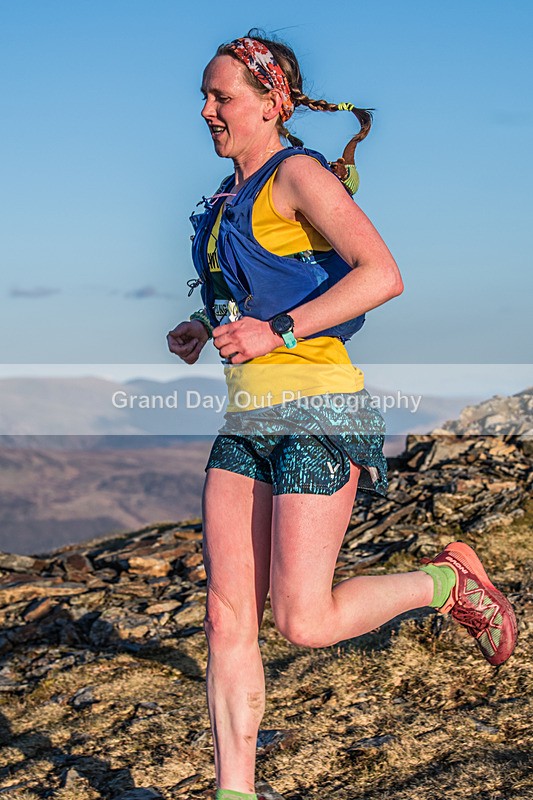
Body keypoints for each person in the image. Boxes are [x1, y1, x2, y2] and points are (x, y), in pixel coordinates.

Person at [167, 31, 517, 800]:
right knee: (227, 619)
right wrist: (208, 325)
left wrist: (278, 332)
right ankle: (235, 793)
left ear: (272, 102)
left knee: (304, 620)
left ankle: (445, 585)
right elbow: (269, 283)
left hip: (320, 410)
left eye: (220, 97)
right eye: (205, 95)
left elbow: (382, 274)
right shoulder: (229, 196)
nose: (205, 110)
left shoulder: (296, 173)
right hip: (247, 422)